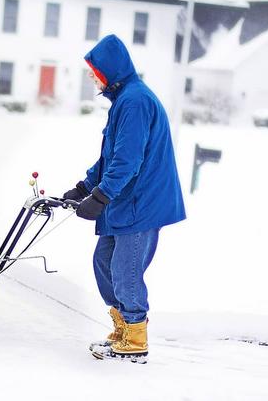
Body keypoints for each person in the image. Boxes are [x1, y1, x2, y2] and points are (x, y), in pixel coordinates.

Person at [63, 34, 186, 362]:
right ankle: (123, 327)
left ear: (110, 70)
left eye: (94, 71)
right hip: (127, 198)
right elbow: (112, 155)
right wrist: (85, 186)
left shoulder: (134, 102)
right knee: (104, 261)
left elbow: (127, 161)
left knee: (125, 270)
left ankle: (135, 340)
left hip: (142, 202)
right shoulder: (125, 100)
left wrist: (100, 196)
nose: (92, 77)